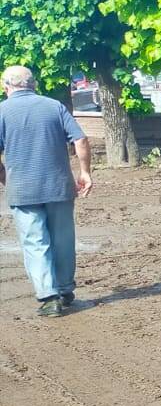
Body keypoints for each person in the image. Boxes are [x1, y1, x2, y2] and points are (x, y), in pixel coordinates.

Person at [0, 66, 93, 317]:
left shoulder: (2, 111)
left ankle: (49, 297)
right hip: (59, 187)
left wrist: (5, 179)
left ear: (6, 86)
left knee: (35, 242)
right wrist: (85, 172)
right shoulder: (54, 106)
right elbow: (81, 140)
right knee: (63, 239)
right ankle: (65, 289)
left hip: (22, 189)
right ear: (34, 84)